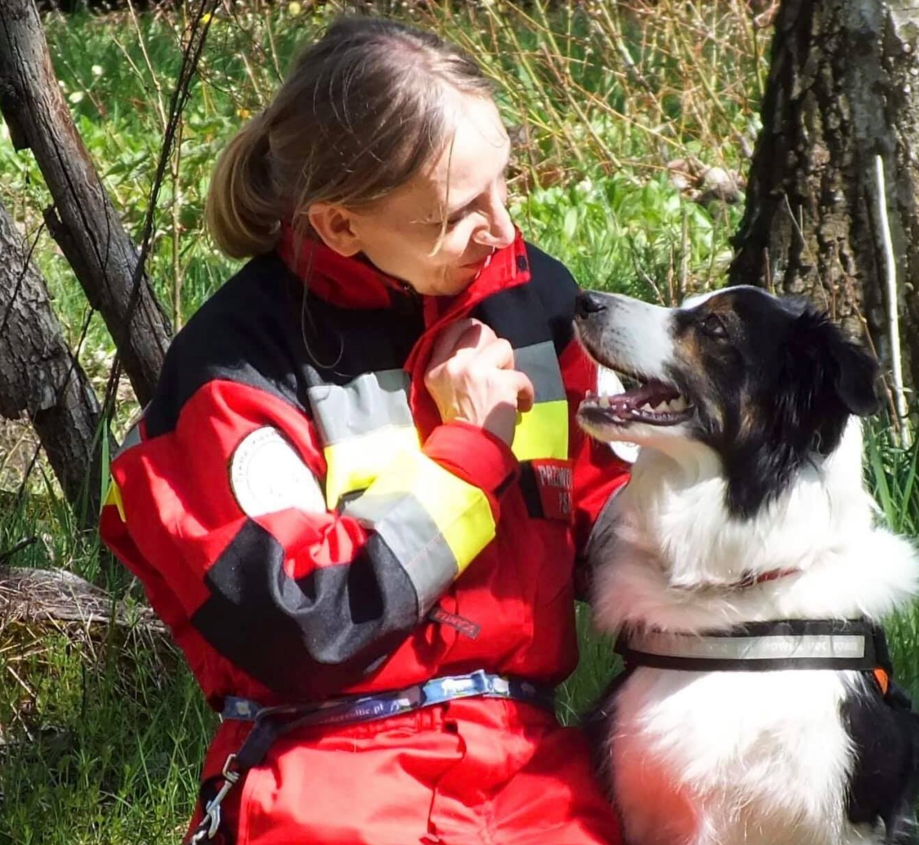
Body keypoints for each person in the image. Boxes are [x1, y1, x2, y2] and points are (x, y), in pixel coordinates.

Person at [99, 14, 628, 845]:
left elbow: (628, 529)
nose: (502, 228)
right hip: (324, 771)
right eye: (456, 213)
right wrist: (469, 453)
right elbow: (302, 628)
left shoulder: (539, 305)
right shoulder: (233, 371)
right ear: (340, 224)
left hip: (536, 772)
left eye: (505, 183)